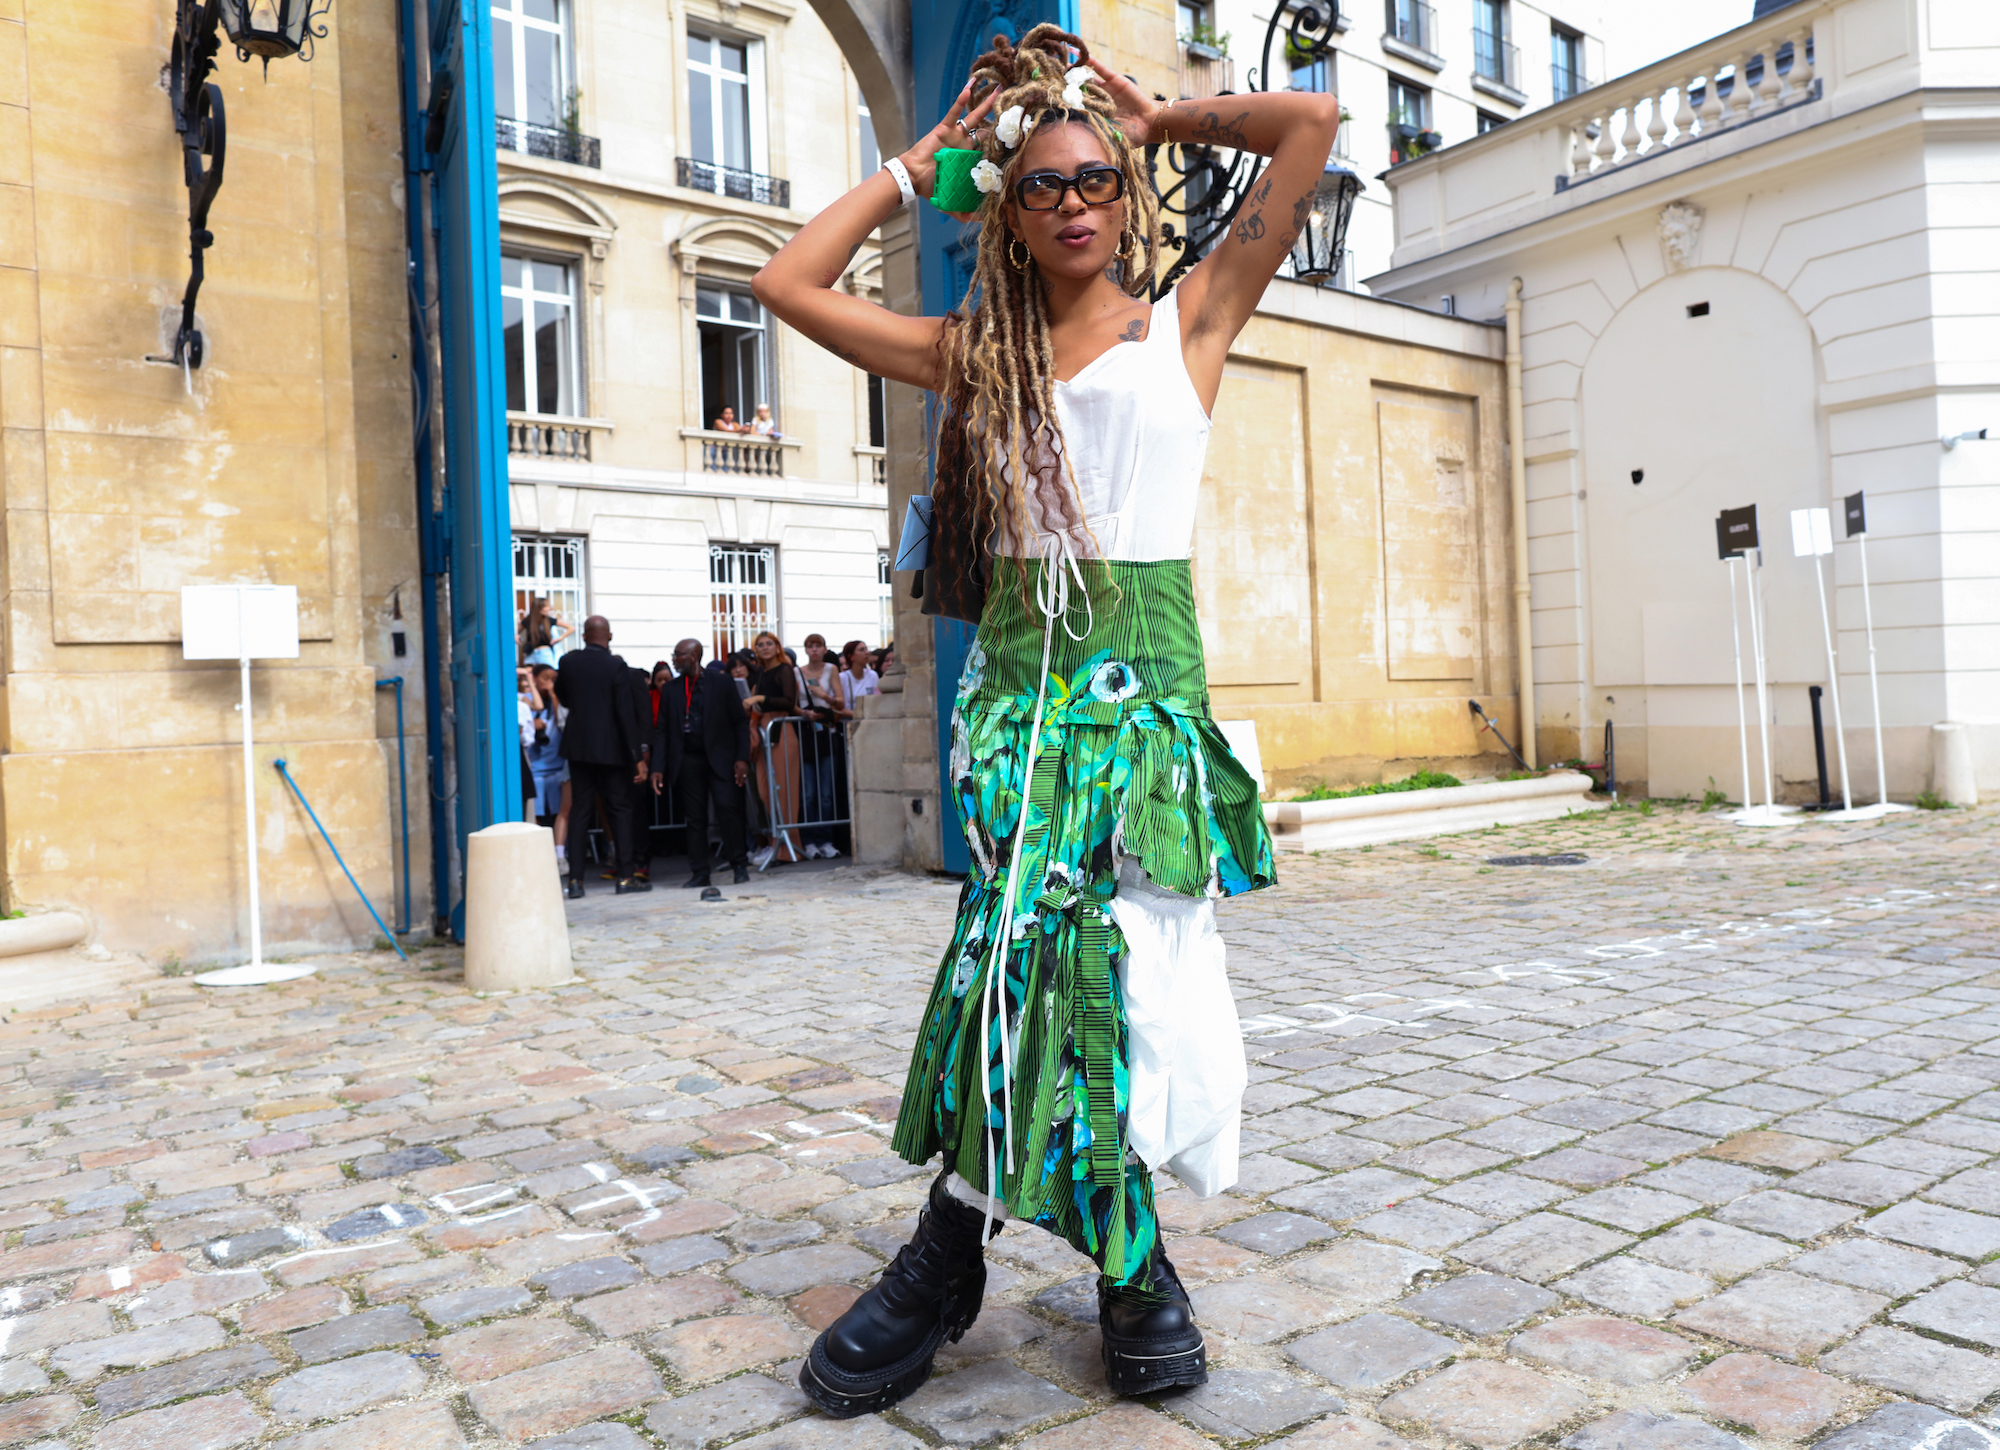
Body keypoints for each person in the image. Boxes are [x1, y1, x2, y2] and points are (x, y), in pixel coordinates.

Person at [754, 23, 1325, 1416]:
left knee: (1129, 986)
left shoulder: (1189, 323)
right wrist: (919, 165)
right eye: (1042, 184)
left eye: (1094, 179)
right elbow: (786, 280)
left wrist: (1165, 119)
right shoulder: (972, 355)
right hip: (1016, 705)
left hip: (1138, 714)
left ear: (1122, 197)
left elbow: (1310, 127)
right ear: (1006, 212)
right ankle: (1067, 1265)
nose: (1073, 201)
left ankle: (1013, 1251)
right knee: (1012, 974)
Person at [553, 615, 652, 896]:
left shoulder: (569, 661)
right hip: (611, 749)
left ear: (584, 636)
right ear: (609, 636)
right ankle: (625, 878)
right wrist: (637, 757)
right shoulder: (615, 666)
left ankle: (575, 882)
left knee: (579, 811)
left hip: (578, 747)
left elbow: (565, 696)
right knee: (620, 810)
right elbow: (624, 713)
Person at [650, 638, 752, 887]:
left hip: (720, 757)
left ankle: (739, 864)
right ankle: (699, 872)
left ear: (694, 656)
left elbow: (740, 722)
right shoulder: (672, 689)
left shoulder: (722, 682)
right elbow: (662, 731)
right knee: (695, 818)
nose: (674, 659)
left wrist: (742, 758)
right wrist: (658, 767)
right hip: (687, 759)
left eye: (679, 655)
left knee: (728, 811)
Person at [743, 630, 804, 869]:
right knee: (765, 791)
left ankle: (788, 849)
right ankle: (775, 842)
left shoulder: (785, 670)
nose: (765, 647)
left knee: (785, 791)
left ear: (777, 647)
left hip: (781, 730)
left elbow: (788, 701)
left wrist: (759, 699)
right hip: (763, 731)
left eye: (769, 643)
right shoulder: (760, 671)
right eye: (760, 644)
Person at [523, 663, 572, 876]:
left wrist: (554, 693)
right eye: (546, 678)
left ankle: (560, 854)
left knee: (559, 813)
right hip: (537, 768)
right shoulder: (527, 700)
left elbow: (561, 720)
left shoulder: (559, 701)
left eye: (554, 678)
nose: (550, 682)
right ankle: (537, 857)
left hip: (557, 766)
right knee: (537, 816)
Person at [798, 634, 843, 859]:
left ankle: (825, 839)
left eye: (818, 646)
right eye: (810, 646)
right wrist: (803, 713)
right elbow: (792, 703)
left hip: (827, 732)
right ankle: (809, 840)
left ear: (825, 649)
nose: (814, 650)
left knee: (826, 793)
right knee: (808, 793)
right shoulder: (798, 672)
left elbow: (841, 702)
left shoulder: (831, 670)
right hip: (806, 734)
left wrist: (823, 696)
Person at [519, 597, 571, 666]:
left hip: (545, 652)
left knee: (548, 672)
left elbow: (571, 627)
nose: (549, 609)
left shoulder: (549, 620)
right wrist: (516, 635)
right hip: (531, 652)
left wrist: (560, 638)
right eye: (546, 606)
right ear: (539, 608)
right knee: (530, 674)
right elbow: (515, 631)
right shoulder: (528, 621)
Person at [839, 639, 879, 710]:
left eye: (866, 649)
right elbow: (837, 707)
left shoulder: (873, 675)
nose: (867, 652)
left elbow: (877, 699)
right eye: (861, 650)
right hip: (848, 719)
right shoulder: (842, 677)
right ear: (851, 656)